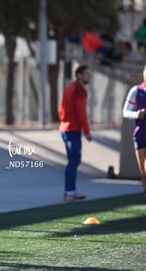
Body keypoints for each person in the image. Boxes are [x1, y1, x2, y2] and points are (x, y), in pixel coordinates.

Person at [59, 64, 93, 202]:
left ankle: (70, 190)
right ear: (79, 75)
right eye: (86, 74)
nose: (89, 77)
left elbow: (61, 109)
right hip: (72, 129)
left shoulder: (69, 88)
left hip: (64, 128)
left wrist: (63, 121)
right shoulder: (80, 91)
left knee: (72, 161)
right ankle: (69, 191)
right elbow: (82, 114)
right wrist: (87, 132)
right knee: (74, 160)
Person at [122, 65, 146, 196]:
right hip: (140, 134)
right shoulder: (136, 91)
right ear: (143, 73)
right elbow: (125, 112)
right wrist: (137, 114)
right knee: (143, 171)